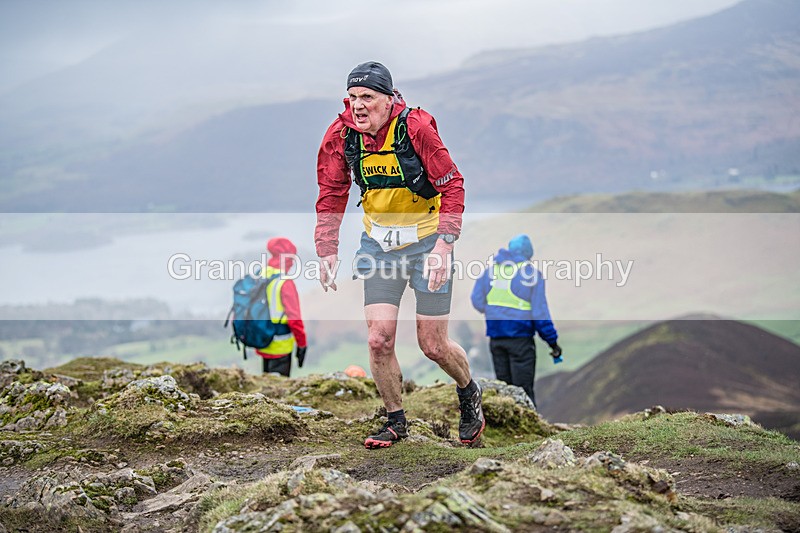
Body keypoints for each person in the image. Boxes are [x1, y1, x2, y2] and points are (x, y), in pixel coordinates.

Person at [314, 61, 485, 449]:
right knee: (378, 339)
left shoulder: (415, 127)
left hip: (428, 245)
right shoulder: (341, 136)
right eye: (352, 97)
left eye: (367, 98)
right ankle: (395, 421)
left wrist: (444, 245)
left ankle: (468, 390)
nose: (358, 106)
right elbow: (331, 191)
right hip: (379, 248)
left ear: (388, 99)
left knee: (433, 345)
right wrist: (327, 248)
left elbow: (453, 184)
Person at [470, 234, 562, 408]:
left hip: (496, 339)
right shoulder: (531, 274)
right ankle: (531, 431)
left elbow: (477, 300)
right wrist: (553, 343)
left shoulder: (491, 271)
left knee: (504, 390)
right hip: (520, 340)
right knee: (524, 391)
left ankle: (509, 430)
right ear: (528, 253)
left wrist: (493, 313)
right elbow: (540, 313)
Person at [255, 237, 308, 377]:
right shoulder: (285, 282)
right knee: (278, 391)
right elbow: (294, 319)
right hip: (280, 346)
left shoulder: (261, 273)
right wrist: (302, 344)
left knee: (266, 385)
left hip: (262, 339)